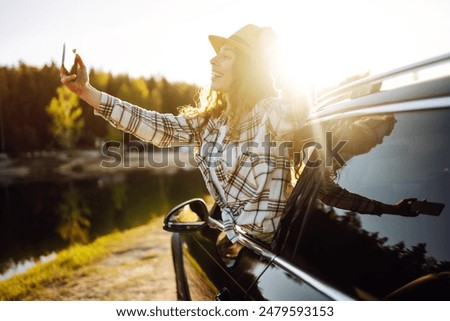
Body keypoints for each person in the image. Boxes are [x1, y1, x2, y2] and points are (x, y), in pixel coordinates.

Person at [60, 24, 307, 244]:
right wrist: (86, 92)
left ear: (247, 68)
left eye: (226, 56)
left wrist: (273, 54)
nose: (213, 61)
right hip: (243, 246)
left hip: (274, 251)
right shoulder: (211, 123)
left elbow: (300, 103)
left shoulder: (269, 114)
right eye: (216, 55)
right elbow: (156, 126)